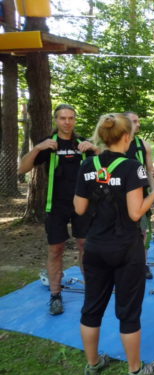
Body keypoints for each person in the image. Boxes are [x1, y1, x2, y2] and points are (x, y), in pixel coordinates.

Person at [74, 113, 154, 375]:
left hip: (95, 246)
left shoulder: (88, 165)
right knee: (128, 312)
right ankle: (135, 369)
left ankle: (93, 365)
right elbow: (136, 214)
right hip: (126, 248)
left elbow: (79, 208)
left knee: (92, 307)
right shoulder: (132, 166)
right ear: (127, 137)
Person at [18, 104, 99, 316]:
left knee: (85, 245)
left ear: (75, 120)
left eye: (71, 118)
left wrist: (96, 149)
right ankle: (55, 294)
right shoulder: (49, 144)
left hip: (82, 205)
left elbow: (105, 169)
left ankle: (91, 289)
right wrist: (37, 148)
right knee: (56, 249)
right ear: (56, 120)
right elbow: (22, 168)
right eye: (62, 118)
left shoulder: (83, 145)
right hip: (56, 206)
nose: (67, 122)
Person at [125, 112, 154, 280]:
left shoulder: (143, 145)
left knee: (142, 232)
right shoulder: (114, 144)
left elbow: (149, 170)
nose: (138, 124)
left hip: (141, 197)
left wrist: (153, 192)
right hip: (119, 198)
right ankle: (122, 264)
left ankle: (142, 264)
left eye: (138, 121)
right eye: (134, 121)